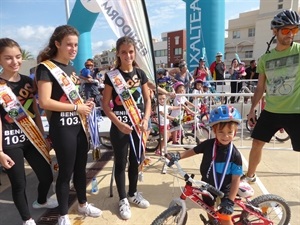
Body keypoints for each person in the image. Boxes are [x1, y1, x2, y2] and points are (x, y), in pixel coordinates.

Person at [36, 25, 102, 225]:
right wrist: (76, 108)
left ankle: (82, 204)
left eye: (75, 45)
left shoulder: (72, 69)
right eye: (69, 45)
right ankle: (63, 214)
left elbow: (71, 99)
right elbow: (44, 102)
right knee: (65, 173)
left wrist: (84, 104)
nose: (73, 48)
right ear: (57, 44)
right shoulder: (45, 67)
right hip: (62, 127)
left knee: (81, 169)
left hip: (78, 126)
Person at [0, 38, 58, 225]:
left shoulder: (28, 82)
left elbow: (35, 111)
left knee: (47, 176)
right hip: (9, 140)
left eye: (18, 57)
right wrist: (0, 151)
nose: (15, 62)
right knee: (19, 184)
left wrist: (42, 135)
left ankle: (41, 201)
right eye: (8, 58)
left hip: (32, 138)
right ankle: (27, 220)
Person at [244, 10, 300, 183]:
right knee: (256, 144)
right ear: (275, 31)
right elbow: (260, 87)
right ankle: (249, 176)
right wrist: (252, 109)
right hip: (272, 110)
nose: (290, 34)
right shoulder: (265, 59)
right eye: (285, 30)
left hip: (296, 112)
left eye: (295, 30)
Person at [166, 105, 243, 225]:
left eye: (229, 132)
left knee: (225, 217)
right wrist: (178, 156)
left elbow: (236, 180)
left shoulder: (235, 155)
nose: (225, 136)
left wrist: (230, 201)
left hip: (225, 189)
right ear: (214, 130)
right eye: (221, 132)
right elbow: (192, 151)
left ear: (235, 132)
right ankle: (212, 222)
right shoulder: (208, 145)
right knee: (208, 207)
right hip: (207, 184)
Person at [102, 36, 151, 220]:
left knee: (136, 161)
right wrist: (118, 123)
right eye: (124, 52)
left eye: (131, 51)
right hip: (120, 125)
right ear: (118, 53)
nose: (128, 55)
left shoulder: (141, 74)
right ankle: (123, 199)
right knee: (121, 163)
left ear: (134, 52)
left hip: (138, 124)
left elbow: (147, 100)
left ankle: (133, 193)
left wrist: (146, 119)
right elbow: (105, 104)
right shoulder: (112, 76)